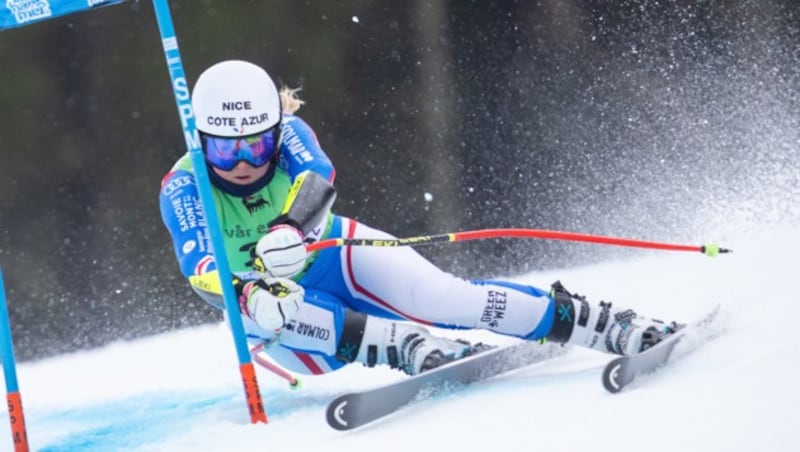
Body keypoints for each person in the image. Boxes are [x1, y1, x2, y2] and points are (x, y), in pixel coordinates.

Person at [159, 59, 680, 377]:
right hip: (285, 321)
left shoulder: (293, 133)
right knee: (265, 310)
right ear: (202, 143)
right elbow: (198, 265)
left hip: (336, 255)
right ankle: (404, 346)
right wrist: (247, 291)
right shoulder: (184, 186)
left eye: (259, 143)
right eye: (228, 152)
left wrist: (289, 227)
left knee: (445, 298)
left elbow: (317, 176)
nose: (247, 162)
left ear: (276, 127)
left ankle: (597, 324)